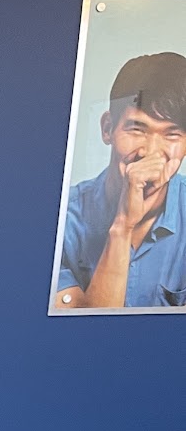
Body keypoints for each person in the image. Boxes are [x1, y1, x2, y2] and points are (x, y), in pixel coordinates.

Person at [55, 52, 186, 311]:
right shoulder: (61, 218)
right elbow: (86, 329)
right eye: (137, 129)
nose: (149, 152)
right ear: (107, 129)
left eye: (172, 135)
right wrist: (123, 225)